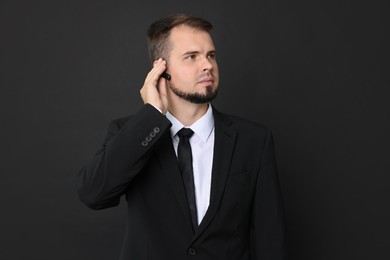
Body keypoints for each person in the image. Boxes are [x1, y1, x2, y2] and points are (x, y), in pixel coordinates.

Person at [76, 14, 285, 260]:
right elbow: (93, 194)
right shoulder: (130, 133)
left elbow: (270, 238)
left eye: (211, 55)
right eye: (191, 57)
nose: (207, 65)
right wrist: (151, 116)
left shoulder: (254, 140)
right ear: (161, 68)